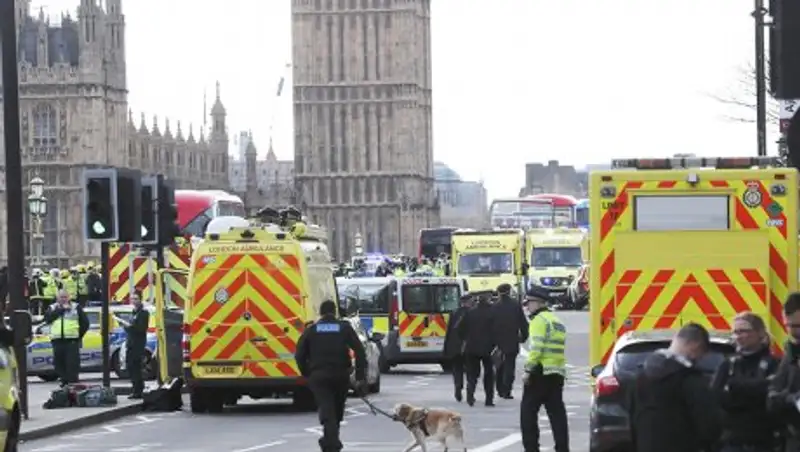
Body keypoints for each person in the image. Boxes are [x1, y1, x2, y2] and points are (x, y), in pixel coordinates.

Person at [627, 323, 721, 452]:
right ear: (695, 345)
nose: (699, 358)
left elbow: (633, 417)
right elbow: (707, 424)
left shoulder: (640, 375)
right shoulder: (690, 379)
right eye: (701, 353)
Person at [295, 300, 367, 452]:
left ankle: (330, 442)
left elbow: (299, 354)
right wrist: (360, 377)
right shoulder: (344, 328)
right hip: (340, 375)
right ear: (334, 312)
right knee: (337, 411)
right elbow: (360, 351)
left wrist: (307, 373)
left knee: (327, 411)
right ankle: (332, 443)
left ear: (320, 313)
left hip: (319, 377)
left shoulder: (312, 330)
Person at [711, 311, 780, 452]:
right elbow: (716, 397)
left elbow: (772, 397)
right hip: (731, 443)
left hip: (764, 443)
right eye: (735, 332)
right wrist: (757, 388)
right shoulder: (727, 365)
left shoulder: (774, 364)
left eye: (743, 331)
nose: (738, 336)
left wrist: (734, 387)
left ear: (760, 333)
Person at [519, 288, 569, 452]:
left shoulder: (538, 321)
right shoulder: (556, 321)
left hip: (539, 372)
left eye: (529, 303)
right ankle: (562, 448)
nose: (527, 307)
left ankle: (532, 448)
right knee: (557, 416)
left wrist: (528, 370)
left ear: (538, 303)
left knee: (528, 414)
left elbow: (537, 348)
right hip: (556, 373)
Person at [768, 292, 800, 452]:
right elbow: (775, 388)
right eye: (789, 326)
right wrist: (789, 398)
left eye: (798, 326)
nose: (793, 332)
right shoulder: (792, 351)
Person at [457, 291, 496, 407]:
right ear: (488, 299)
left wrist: (466, 338)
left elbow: (459, 328)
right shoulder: (493, 313)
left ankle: (470, 395)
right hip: (489, 348)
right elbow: (498, 329)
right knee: (489, 374)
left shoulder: (470, 312)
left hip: (471, 347)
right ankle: (489, 399)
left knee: (472, 374)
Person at [44, 289, 89, 385]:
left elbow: (85, 323)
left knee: (72, 364)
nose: (63, 299)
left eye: (65, 297)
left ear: (69, 297)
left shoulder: (76, 307)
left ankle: (72, 384)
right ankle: (64, 382)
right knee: (59, 364)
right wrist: (61, 310)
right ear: (57, 298)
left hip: (71, 341)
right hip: (57, 341)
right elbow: (48, 319)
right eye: (61, 297)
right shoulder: (52, 307)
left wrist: (78, 335)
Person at [491, 283, 529, 399]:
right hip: (512, 340)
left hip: (497, 342)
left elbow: (490, 325)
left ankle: (499, 389)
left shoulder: (495, 307)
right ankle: (507, 390)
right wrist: (523, 337)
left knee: (499, 366)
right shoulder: (515, 305)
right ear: (509, 291)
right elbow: (523, 323)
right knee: (509, 366)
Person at [116, 292, 150, 399]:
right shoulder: (134, 312)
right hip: (131, 343)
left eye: (136, 299)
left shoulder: (144, 313)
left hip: (138, 344)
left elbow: (140, 329)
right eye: (132, 299)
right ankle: (137, 389)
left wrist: (127, 326)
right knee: (131, 367)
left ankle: (138, 391)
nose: (134, 301)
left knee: (135, 367)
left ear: (140, 300)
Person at [444, 293, 473, 402]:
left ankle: (458, 387)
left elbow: (449, 331)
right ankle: (470, 391)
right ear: (468, 302)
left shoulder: (454, 313)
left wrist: (446, 348)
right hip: (468, 347)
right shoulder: (472, 313)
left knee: (457, 369)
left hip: (455, 347)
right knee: (470, 370)